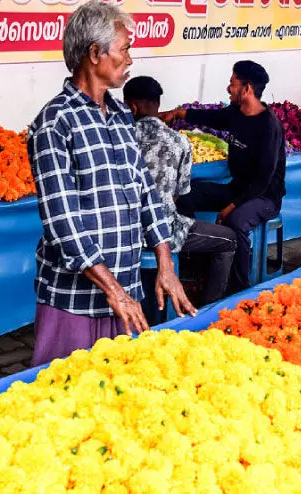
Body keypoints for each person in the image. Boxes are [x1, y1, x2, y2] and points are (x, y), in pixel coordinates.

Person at [26, 0, 195, 367]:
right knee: (64, 405)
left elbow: (146, 193)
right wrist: (115, 292)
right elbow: (63, 224)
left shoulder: (120, 114)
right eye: (125, 49)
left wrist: (165, 263)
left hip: (125, 296)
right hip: (74, 302)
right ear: (94, 53)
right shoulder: (55, 124)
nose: (131, 60)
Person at [160, 61, 286, 293]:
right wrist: (178, 113)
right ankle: (196, 268)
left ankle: (240, 288)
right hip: (238, 189)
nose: (228, 88)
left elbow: (263, 180)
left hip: (265, 197)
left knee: (236, 221)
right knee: (187, 195)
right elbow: (212, 118)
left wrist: (231, 206)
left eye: (232, 83)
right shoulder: (236, 114)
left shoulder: (269, 126)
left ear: (247, 88)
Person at [123, 76, 237, 306]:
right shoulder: (179, 142)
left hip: (122, 232)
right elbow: (181, 192)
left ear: (131, 107)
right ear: (157, 104)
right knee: (229, 240)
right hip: (164, 232)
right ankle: (207, 308)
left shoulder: (118, 140)